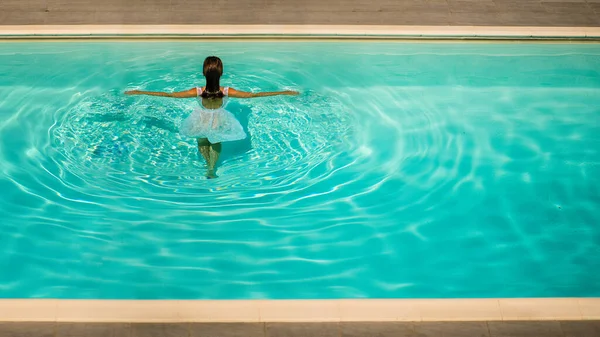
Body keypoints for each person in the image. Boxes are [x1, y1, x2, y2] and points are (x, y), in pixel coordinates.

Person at [125, 56, 298, 178]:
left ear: (204, 74)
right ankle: (212, 168)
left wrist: (139, 91)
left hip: (199, 120)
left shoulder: (198, 91)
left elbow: (169, 95)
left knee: (202, 142)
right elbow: (254, 95)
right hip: (220, 121)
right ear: (221, 74)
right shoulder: (227, 91)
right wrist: (283, 92)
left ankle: (208, 165)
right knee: (215, 142)